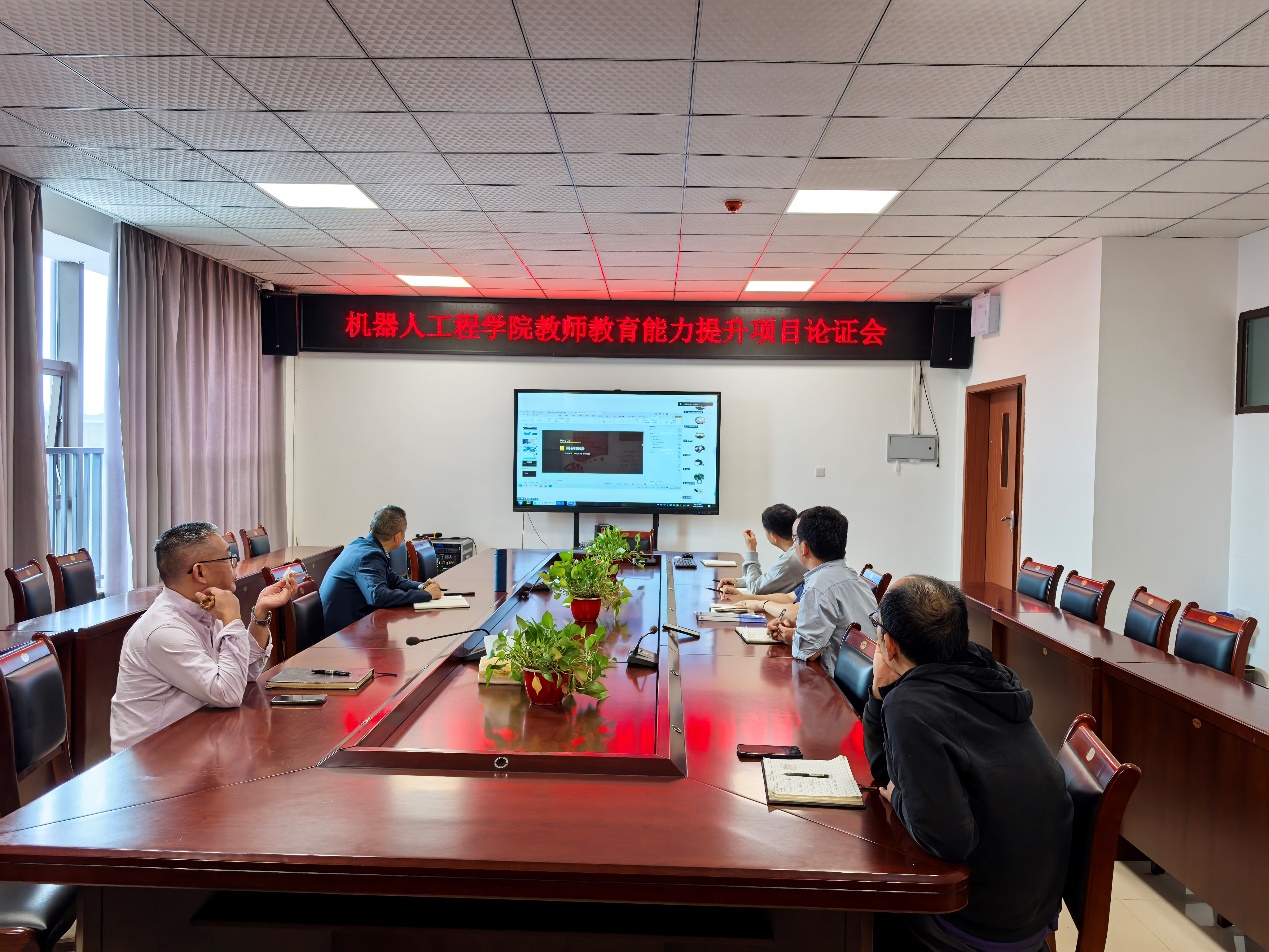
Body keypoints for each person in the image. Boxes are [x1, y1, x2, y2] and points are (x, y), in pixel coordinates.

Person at [865, 576, 1072, 952]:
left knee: (860, 914)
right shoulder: (987, 672)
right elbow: (888, 773)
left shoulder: (911, 705)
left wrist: (897, 796)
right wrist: (882, 694)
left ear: (889, 645)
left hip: (978, 922)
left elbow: (947, 840)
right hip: (1032, 909)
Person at [110, 522, 299, 753]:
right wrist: (231, 619)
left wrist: (260, 612)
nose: (235, 565)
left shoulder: (204, 606)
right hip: (152, 760)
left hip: (191, 742)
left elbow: (245, 674)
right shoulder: (163, 630)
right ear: (200, 572)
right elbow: (228, 694)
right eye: (228, 558)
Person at [766, 506, 875, 677]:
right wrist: (797, 629)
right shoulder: (851, 576)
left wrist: (791, 637)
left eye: (795, 538)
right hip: (866, 676)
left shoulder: (818, 585)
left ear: (804, 547)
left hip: (837, 683)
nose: (793, 545)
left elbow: (807, 652)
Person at [319, 505, 442, 634]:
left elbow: (392, 579)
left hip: (349, 626)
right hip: (345, 632)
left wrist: (421, 586)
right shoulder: (369, 556)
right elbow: (378, 597)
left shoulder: (363, 546)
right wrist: (426, 595)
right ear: (397, 536)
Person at [718, 503, 805, 596]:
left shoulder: (789, 560)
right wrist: (740, 582)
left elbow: (755, 590)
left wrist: (751, 550)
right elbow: (771, 581)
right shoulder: (797, 551)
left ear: (773, 536)